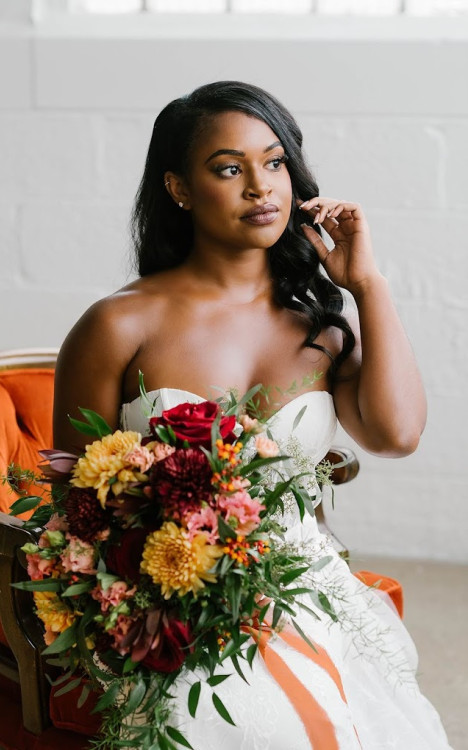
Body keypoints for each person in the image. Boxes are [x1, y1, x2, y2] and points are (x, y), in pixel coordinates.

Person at [53, 81, 452, 749]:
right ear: (179, 188)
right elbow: (75, 498)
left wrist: (368, 286)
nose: (260, 186)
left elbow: (398, 434)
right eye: (230, 168)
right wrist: (156, 590)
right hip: (168, 600)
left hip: (304, 588)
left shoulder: (320, 330)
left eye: (275, 163)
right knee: (262, 719)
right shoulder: (118, 324)